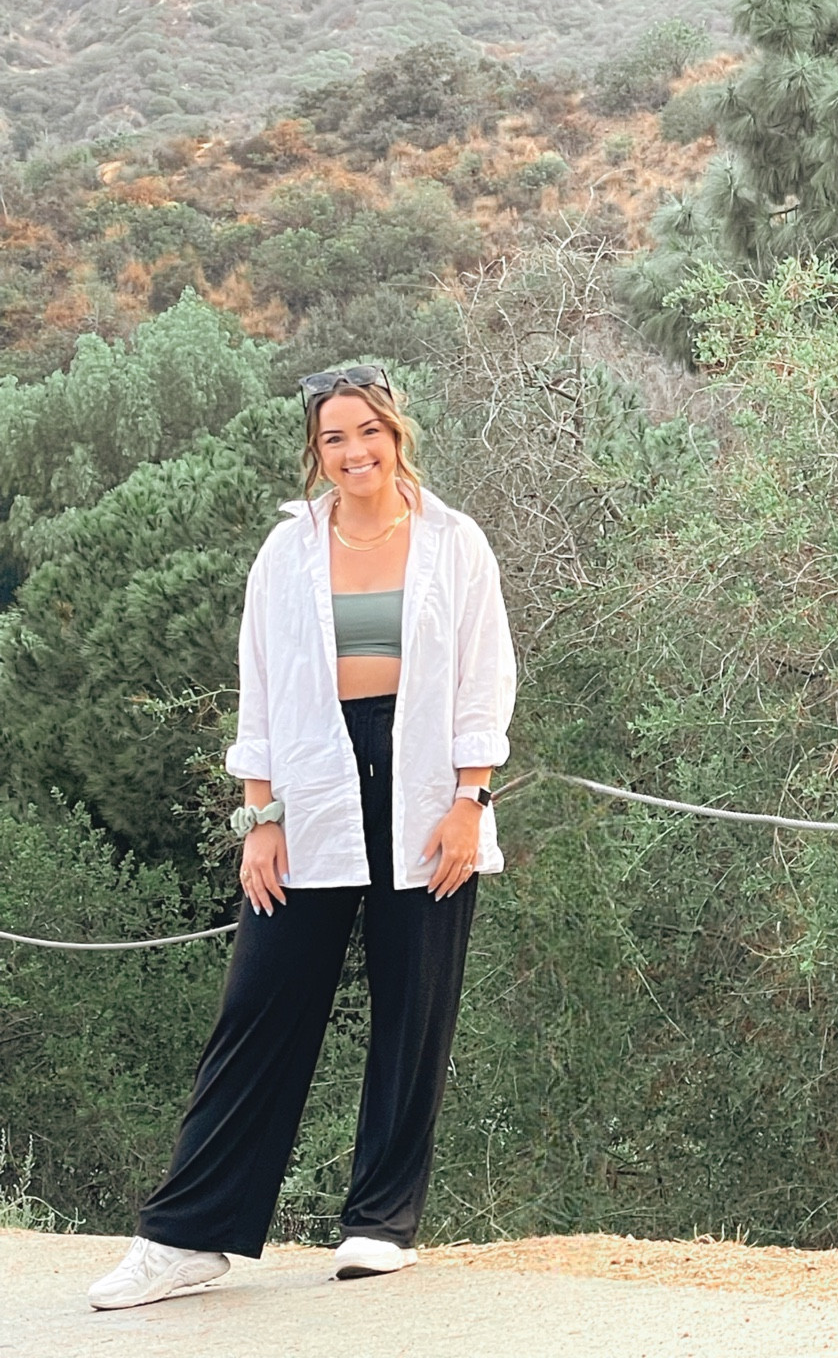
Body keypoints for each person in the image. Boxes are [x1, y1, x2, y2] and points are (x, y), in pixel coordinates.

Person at [87, 363, 517, 1311]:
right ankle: (186, 1238)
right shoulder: (287, 551)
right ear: (315, 452)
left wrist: (470, 800)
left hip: (426, 786)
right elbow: (262, 682)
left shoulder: (455, 542)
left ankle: (381, 1225)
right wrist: (261, 814)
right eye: (334, 438)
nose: (354, 452)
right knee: (260, 1005)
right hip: (314, 786)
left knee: (413, 1010)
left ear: (396, 434)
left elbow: (486, 676)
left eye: (369, 431)